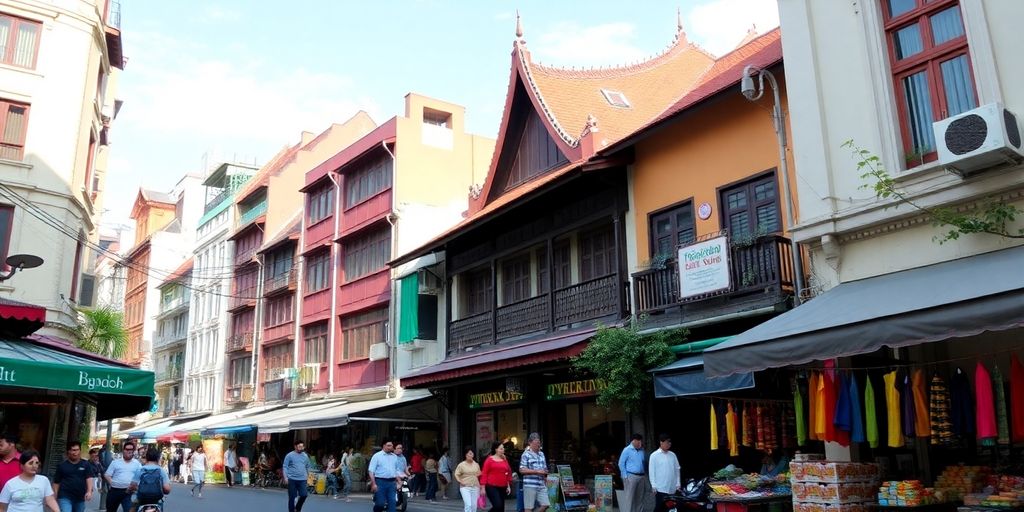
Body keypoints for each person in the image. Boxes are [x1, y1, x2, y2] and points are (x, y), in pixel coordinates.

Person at [52, 442, 94, 512]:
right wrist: (55, 497)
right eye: (73, 450)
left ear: (80, 451)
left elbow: (89, 478)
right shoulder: (62, 466)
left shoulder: (86, 464)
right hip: (64, 496)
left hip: (80, 497)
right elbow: (56, 482)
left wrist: (89, 491)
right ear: (68, 451)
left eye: (77, 450)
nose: (75, 453)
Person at [103, 442, 141, 512]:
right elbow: (107, 475)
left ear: (133, 451)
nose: (129, 451)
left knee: (129, 510)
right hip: (115, 491)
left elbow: (140, 476)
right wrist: (112, 483)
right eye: (127, 449)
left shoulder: (137, 464)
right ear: (123, 450)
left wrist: (135, 486)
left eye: (131, 449)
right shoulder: (115, 462)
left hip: (129, 492)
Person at [648, 434, 681, 512]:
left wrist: (678, 483)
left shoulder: (673, 455)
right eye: (666, 442)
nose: (668, 444)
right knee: (659, 507)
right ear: (661, 442)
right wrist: (653, 485)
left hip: (672, 487)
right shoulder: (654, 455)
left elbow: (677, 469)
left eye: (669, 442)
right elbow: (651, 471)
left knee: (671, 508)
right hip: (660, 487)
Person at [619, 434, 650, 512]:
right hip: (630, 476)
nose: (640, 443)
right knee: (630, 498)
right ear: (634, 441)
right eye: (639, 442)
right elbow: (621, 463)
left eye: (641, 441)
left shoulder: (642, 450)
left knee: (640, 497)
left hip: (641, 477)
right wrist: (625, 476)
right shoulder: (627, 450)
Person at [519, 433, 549, 512]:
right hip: (530, 484)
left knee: (545, 504)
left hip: (541, 484)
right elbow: (522, 470)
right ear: (530, 443)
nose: (538, 445)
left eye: (539, 443)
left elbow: (545, 468)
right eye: (536, 443)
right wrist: (536, 471)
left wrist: (545, 474)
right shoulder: (526, 454)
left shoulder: (542, 454)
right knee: (529, 508)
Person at [367, 440, 399, 512]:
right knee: (380, 504)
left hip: (392, 483)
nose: (391, 447)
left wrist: (399, 481)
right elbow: (371, 471)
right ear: (384, 446)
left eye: (391, 446)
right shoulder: (377, 456)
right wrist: (373, 483)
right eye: (389, 445)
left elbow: (396, 471)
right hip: (380, 482)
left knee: (392, 504)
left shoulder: (394, 457)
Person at [481, 442, 513, 512]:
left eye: (503, 448)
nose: (503, 450)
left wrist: (508, 485)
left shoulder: (504, 459)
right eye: (501, 449)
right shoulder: (489, 459)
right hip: (491, 486)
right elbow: (484, 473)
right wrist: (483, 488)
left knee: (501, 509)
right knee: (498, 506)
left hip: (503, 486)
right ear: (496, 450)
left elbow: (508, 472)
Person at [283, 440, 312, 512]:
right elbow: (285, 466)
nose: (302, 448)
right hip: (292, 479)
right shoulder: (289, 455)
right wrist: (286, 477)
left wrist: (309, 477)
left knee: (304, 495)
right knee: (292, 498)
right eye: (300, 447)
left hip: (302, 479)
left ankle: (298, 508)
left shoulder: (305, 456)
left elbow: (308, 466)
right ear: (295, 447)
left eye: (302, 446)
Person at [453, 447, 480, 512]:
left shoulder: (476, 464)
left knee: (474, 506)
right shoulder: (461, 465)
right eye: (469, 453)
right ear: (466, 455)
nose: (471, 455)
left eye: (472, 454)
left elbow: (479, 473)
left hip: (475, 487)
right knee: (468, 505)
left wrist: (480, 486)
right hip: (465, 487)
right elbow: (456, 474)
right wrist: (460, 481)